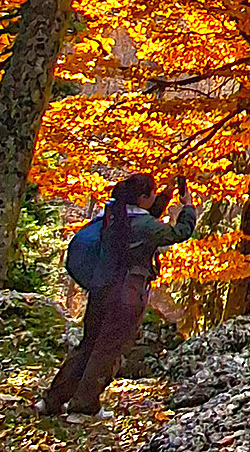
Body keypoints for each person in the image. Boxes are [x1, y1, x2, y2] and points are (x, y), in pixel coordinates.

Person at [42, 172, 196, 417]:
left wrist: (166, 194)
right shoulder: (143, 225)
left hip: (102, 288)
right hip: (127, 293)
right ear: (144, 197)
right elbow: (178, 232)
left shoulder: (114, 213)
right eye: (153, 193)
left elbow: (147, 219)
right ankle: (83, 406)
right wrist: (188, 207)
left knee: (89, 344)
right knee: (108, 350)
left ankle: (53, 400)